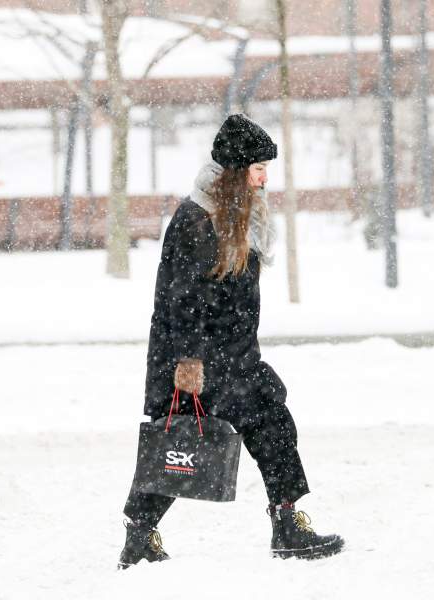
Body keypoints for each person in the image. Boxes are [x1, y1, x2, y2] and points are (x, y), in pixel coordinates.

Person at [117, 114, 345, 569]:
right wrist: (188, 364)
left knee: (264, 426)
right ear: (237, 171)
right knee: (180, 444)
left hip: (234, 354)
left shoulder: (237, 214)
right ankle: (142, 533)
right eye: (259, 168)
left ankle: (284, 522)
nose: (265, 177)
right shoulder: (196, 218)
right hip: (200, 357)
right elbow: (181, 297)